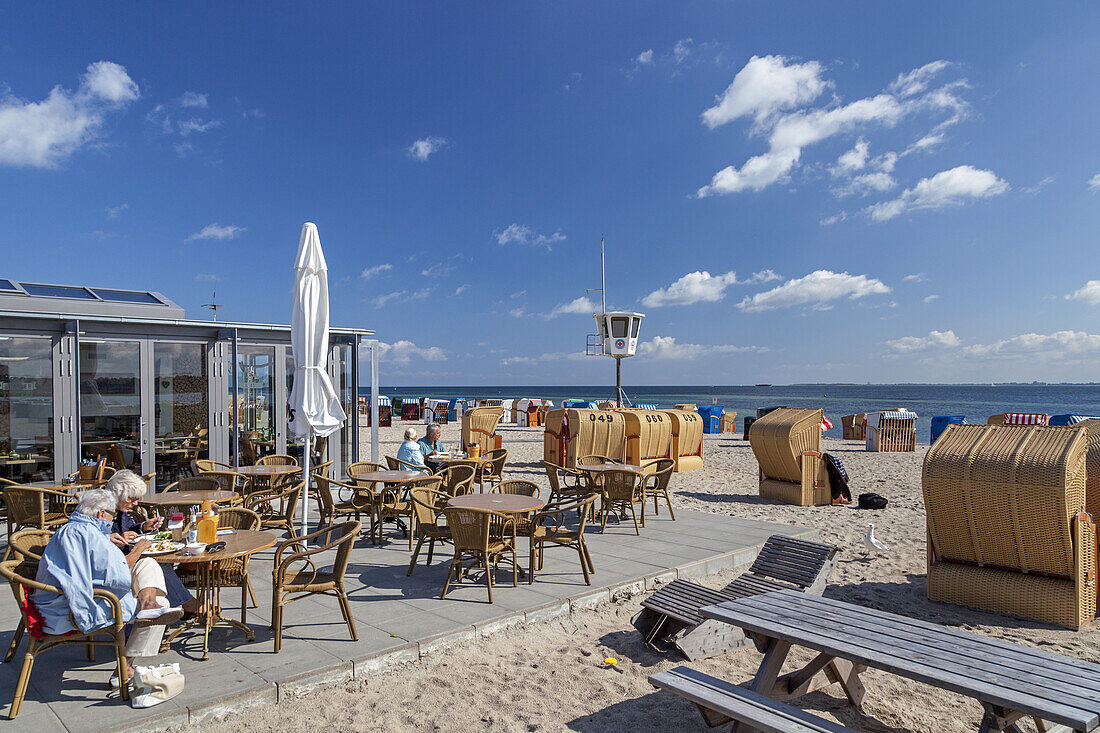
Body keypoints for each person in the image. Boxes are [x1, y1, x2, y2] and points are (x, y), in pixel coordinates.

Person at [34, 488, 183, 680]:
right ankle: (127, 664)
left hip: (84, 590)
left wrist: (107, 539)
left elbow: (97, 565)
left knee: (149, 564)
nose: (113, 520)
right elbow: (115, 575)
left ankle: (148, 605)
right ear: (101, 514)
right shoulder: (82, 533)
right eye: (112, 515)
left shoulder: (81, 530)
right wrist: (136, 550)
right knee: (163, 603)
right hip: (70, 607)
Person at [106, 470, 199, 616]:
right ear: (119, 495)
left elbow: (129, 528)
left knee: (159, 561)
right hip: (115, 567)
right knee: (157, 562)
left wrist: (143, 526)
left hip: (126, 559)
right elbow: (94, 542)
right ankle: (186, 603)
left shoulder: (120, 510)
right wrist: (111, 538)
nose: (135, 503)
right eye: (132, 499)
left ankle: (167, 604)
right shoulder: (103, 512)